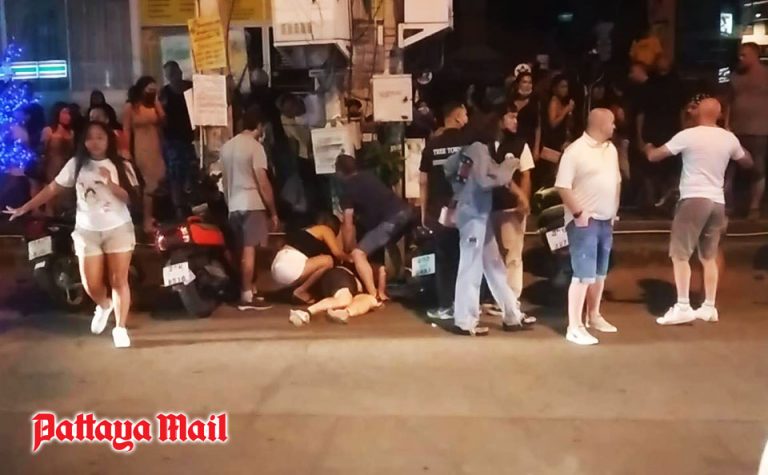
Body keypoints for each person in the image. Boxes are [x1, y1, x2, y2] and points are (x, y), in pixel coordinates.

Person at [5, 121, 140, 348]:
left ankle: (120, 328)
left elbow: (130, 198)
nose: (95, 142)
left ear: (108, 139)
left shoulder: (121, 164)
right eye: (90, 138)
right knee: (91, 284)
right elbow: (52, 188)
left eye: (100, 137)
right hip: (87, 231)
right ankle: (104, 305)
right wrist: (24, 208)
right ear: (83, 141)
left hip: (118, 228)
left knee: (119, 280)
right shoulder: (76, 164)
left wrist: (110, 183)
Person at [645, 98, 753, 325]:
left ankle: (683, 306)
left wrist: (647, 148)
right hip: (717, 201)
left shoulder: (688, 135)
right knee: (709, 256)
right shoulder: (728, 137)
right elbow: (748, 162)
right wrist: (731, 141)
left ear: (698, 112)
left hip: (694, 198)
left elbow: (655, 157)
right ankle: (709, 307)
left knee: (680, 254)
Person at [448, 111, 528, 336]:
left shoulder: (468, 150)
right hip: (474, 216)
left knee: (493, 265)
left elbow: (450, 168)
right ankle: (465, 321)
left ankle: (512, 314)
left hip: (474, 214)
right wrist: (510, 165)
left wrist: (461, 191)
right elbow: (486, 180)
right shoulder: (480, 149)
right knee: (472, 267)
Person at [555, 109, 622, 346]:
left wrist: (614, 210)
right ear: (600, 124)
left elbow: (616, 181)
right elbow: (563, 186)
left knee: (599, 273)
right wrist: (578, 213)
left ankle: (593, 315)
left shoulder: (611, 150)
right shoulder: (575, 151)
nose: (614, 126)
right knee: (583, 274)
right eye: (611, 122)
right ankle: (574, 326)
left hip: (605, 219)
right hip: (585, 220)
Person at [220, 106, 279, 311]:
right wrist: (273, 211)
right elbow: (262, 181)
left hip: (233, 204)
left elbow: (224, 181)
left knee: (240, 250)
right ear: (260, 126)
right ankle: (246, 296)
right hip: (251, 203)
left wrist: (229, 203)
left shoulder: (226, 147)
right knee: (250, 249)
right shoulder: (255, 147)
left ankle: (248, 288)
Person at [336, 154, 413, 301]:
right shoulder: (369, 176)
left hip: (390, 218)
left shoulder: (347, 189)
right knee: (388, 242)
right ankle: (398, 279)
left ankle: (373, 295)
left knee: (358, 254)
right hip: (405, 212)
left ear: (339, 172)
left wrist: (348, 248)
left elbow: (348, 222)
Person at [418, 101, 470, 319]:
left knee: (444, 259)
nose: (467, 119)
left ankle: (445, 306)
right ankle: (466, 305)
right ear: (457, 117)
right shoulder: (468, 143)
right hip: (466, 208)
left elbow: (423, 181)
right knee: (466, 258)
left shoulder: (431, 146)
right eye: (465, 114)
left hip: (439, 210)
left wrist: (424, 213)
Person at [492, 106, 535, 301]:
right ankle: (494, 297)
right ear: (499, 119)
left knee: (513, 254)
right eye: (511, 117)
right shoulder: (484, 145)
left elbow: (525, 174)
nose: (515, 121)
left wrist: (522, 201)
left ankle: (511, 298)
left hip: (511, 207)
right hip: (488, 206)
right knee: (492, 255)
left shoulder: (519, 144)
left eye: (516, 117)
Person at [635, 56, 684, 212]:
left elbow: (682, 111)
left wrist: (683, 133)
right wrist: (640, 137)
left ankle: (669, 203)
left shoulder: (678, 84)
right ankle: (649, 203)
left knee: (671, 170)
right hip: (652, 131)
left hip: (672, 131)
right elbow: (641, 113)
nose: (663, 62)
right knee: (650, 170)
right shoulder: (649, 85)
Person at [727, 43, 768, 219]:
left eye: (745, 55)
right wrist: (727, 125)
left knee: (757, 168)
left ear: (755, 55)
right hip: (737, 129)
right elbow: (729, 101)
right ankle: (730, 205)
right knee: (732, 169)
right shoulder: (735, 76)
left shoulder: (766, 74)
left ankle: (754, 206)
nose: (741, 58)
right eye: (740, 55)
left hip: (760, 130)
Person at [271, 213, 349, 304]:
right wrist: (350, 257)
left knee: (316, 262)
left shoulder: (307, 231)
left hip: (276, 268)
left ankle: (291, 290)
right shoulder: (325, 229)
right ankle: (300, 291)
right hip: (289, 268)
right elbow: (337, 253)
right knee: (328, 260)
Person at [123, 76, 166, 234]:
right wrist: (126, 150)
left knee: (158, 181)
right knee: (149, 184)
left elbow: (163, 120)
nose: (151, 93)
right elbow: (126, 130)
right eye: (149, 90)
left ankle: (152, 216)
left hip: (156, 147)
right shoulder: (131, 107)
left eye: (154, 90)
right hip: (141, 148)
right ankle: (146, 220)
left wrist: (156, 102)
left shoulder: (153, 106)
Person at [288, 266, 382, 327]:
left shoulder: (363, 293)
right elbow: (381, 271)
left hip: (349, 287)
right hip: (341, 275)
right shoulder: (365, 271)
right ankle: (306, 312)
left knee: (371, 300)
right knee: (344, 300)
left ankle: (344, 312)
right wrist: (376, 290)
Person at [159, 61, 196, 214]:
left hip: (191, 136)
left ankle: (193, 204)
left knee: (192, 171)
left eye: (174, 72)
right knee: (175, 174)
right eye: (169, 74)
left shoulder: (191, 87)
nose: (173, 76)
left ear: (180, 71)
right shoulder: (164, 93)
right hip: (172, 139)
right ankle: (179, 207)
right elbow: (161, 117)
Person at [539, 75, 575, 189]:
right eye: (562, 87)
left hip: (561, 139)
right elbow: (552, 123)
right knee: (552, 172)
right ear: (555, 88)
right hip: (553, 142)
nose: (565, 90)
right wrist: (566, 110)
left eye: (566, 87)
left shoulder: (561, 101)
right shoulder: (554, 101)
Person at [40, 102, 75, 216]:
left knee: (64, 197)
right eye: (64, 113)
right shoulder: (49, 130)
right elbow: (42, 150)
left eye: (69, 114)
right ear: (57, 113)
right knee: (50, 198)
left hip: (66, 166)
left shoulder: (71, 132)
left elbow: (72, 151)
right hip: (51, 166)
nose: (67, 116)